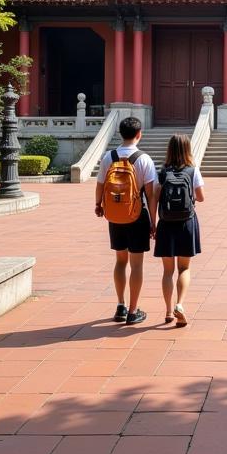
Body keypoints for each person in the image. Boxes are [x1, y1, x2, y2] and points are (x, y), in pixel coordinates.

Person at [94, 115, 157, 325]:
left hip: (115, 215)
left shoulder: (108, 157)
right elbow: (150, 194)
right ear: (139, 135)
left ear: (121, 134)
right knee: (136, 264)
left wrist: (98, 205)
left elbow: (100, 185)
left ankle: (120, 305)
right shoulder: (144, 159)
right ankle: (133, 310)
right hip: (137, 215)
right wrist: (153, 221)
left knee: (120, 261)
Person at [155, 132, 204, 327]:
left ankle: (168, 311)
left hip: (166, 223)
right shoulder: (193, 170)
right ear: (187, 149)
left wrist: (153, 222)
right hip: (186, 222)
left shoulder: (162, 171)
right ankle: (180, 305)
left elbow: (154, 197)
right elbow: (200, 197)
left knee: (168, 271)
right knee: (184, 268)